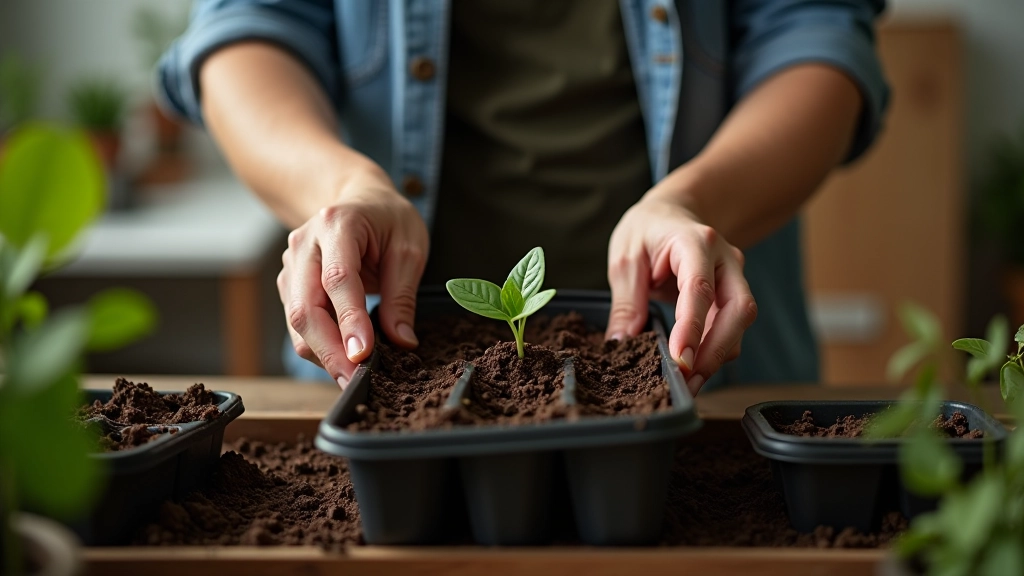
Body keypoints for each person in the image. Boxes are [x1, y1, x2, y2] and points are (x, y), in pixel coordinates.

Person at [158, 0, 888, 393]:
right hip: (377, 367)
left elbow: (816, 35)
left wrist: (697, 202)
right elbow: (247, 28)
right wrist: (343, 186)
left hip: (708, 365)